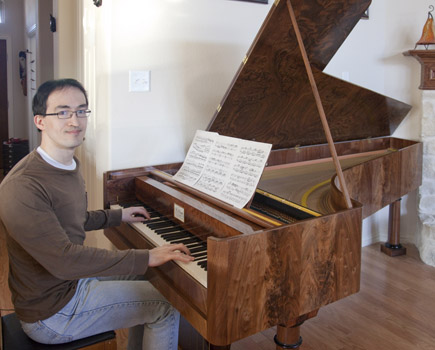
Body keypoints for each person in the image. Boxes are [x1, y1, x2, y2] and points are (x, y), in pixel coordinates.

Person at [0, 78, 194, 349]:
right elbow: (64, 261)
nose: (75, 121)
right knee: (165, 305)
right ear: (40, 121)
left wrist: (118, 216)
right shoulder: (22, 186)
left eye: (81, 110)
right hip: (51, 313)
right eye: (63, 112)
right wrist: (147, 256)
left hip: (71, 284)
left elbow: (71, 219)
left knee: (151, 280)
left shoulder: (67, 164)